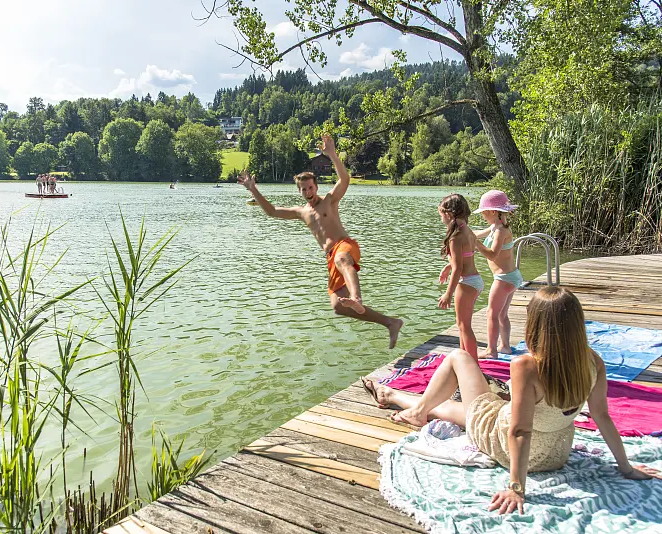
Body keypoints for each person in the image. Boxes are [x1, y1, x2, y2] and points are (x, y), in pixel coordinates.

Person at [362, 286, 659, 515]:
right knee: (468, 409)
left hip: (509, 445)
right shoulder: (592, 361)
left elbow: (519, 431)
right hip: (557, 451)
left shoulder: (527, 366)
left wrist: (516, 487)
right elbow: (602, 416)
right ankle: (398, 398)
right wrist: (625, 468)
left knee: (458, 358)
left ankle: (416, 409)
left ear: (536, 325)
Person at [238, 132, 403, 349]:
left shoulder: (329, 201)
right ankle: (390, 323)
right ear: (299, 191)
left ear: (316, 187)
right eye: (304, 189)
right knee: (338, 306)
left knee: (342, 260)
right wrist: (253, 189)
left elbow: (344, 180)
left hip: (345, 246)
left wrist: (332, 155)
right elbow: (272, 211)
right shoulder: (301, 212)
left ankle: (357, 298)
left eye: (311, 187)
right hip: (331, 257)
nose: (308, 192)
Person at [474, 190, 522, 358]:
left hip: (504, 279)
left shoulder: (501, 231)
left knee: (491, 314)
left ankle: (491, 350)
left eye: (484, 212)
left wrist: (476, 243)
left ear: (493, 212)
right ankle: (505, 346)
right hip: (511, 276)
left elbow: (493, 255)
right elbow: (478, 233)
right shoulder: (495, 227)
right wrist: (463, 232)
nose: (482, 215)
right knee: (502, 314)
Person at [437, 194, 481, 358]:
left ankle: (473, 365)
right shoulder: (467, 231)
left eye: (441, 214)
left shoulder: (455, 237)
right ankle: (465, 360)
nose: (441, 218)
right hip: (475, 280)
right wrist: (448, 267)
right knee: (462, 324)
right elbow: (465, 257)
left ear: (449, 214)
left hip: (467, 283)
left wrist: (448, 293)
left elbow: (458, 268)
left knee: (464, 326)